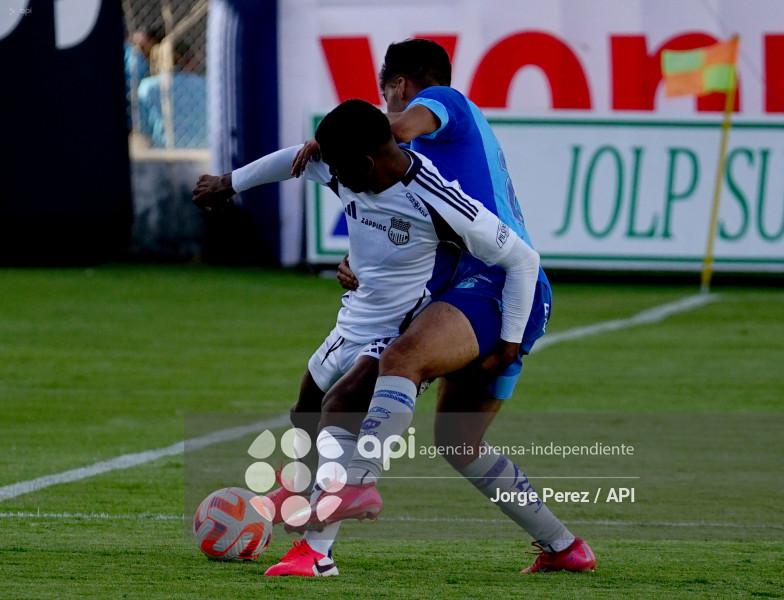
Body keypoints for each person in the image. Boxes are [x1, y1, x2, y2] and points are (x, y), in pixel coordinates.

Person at [282, 39, 595, 576]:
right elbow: (400, 221)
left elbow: (390, 137)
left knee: (380, 374)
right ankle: (565, 547)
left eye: (387, 98)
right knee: (459, 442)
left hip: (498, 288)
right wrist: (359, 258)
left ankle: (321, 541)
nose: (389, 115)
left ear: (399, 88)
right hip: (468, 289)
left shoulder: (439, 110)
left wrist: (329, 139)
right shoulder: (427, 164)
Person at [192, 98, 542, 576]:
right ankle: (304, 490)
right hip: (352, 319)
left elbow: (521, 260)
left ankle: (318, 553)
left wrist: (508, 342)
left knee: (341, 407)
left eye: (335, 165)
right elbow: (291, 160)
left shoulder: (437, 199)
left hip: (398, 329)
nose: (326, 173)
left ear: (364, 163)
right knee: (307, 410)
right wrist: (227, 183)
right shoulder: (346, 167)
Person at [137, 39, 207, 148]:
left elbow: (141, 129)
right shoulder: (206, 85)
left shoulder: (148, 87)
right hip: (202, 151)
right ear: (190, 62)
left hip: (162, 154)